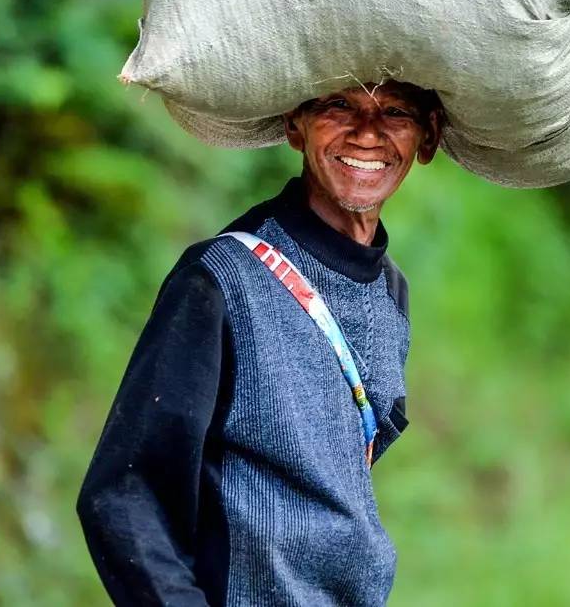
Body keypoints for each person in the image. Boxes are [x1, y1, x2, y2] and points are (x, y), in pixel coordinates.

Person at [76, 79, 444, 606]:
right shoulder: (222, 279)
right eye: (339, 105)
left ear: (426, 139)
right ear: (296, 123)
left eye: (396, 113)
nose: (367, 133)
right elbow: (126, 497)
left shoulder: (390, 292)